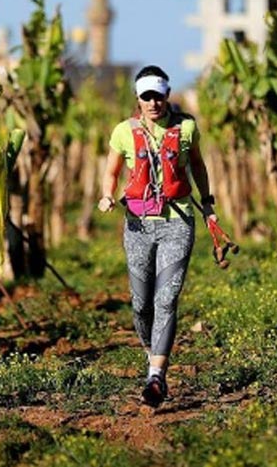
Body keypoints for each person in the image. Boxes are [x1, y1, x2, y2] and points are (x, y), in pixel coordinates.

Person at [98, 65, 217, 407]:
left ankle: (156, 376)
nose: (152, 102)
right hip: (137, 226)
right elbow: (111, 170)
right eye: (146, 96)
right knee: (140, 304)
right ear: (138, 98)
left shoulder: (186, 129)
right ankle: (153, 352)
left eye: (158, 95)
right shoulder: (124, 131)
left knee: (166, 299)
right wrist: (107, 194)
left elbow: (198, 166)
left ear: (167, 95)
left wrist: (208, 205)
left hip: (177, 223)